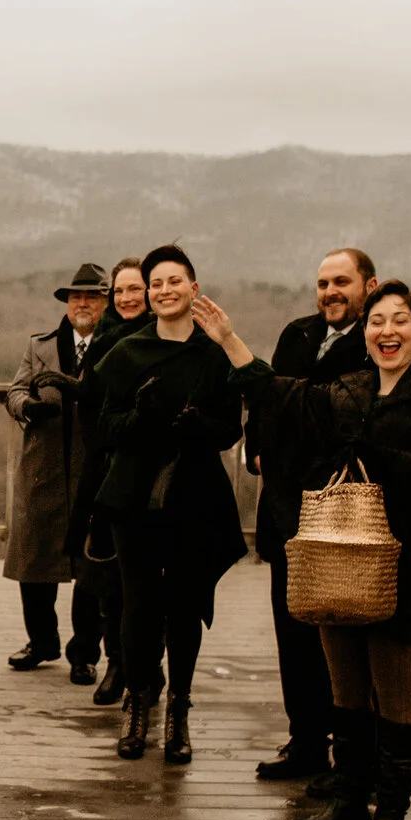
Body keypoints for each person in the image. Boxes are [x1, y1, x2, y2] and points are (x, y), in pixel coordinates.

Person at [207, 282, 411, 820]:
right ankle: (350, 802)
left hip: (404, 565)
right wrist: (230, 341)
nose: (387, 331)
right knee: (346, 687)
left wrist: (379, 459)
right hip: (338, 558)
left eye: (400, 321)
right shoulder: (347, 391)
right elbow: (280, 395)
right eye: (377, 322)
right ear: (365, 332)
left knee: (393, 688)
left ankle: (392, 815)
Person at [78, 245, 247, 766]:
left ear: (194, 290)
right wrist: (141, 418)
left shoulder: (213, 352)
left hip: (193, 493)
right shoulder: (125, 352)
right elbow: (103, 428)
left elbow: (229, 429)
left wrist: (199, 425)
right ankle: (137, 703)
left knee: (185, 605)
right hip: (133, 494)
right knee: (138, 602)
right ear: (147, 295)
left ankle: (179, 707)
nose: (164, 290)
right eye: (155, 283)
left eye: (175, 281)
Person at [248, 248, 377, 786]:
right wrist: (257, 444)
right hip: (286, 509)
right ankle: (305, 741)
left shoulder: (378, 338)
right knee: (292, 629)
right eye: (323, 283)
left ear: (368, 285)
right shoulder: (296, 334)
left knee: (346, 637)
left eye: (342, 282)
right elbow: (265, 400)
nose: (330, 292)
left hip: (344, 512)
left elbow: (340, 418)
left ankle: (353, 753)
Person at [3, 263, 110, 682]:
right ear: (66, 303)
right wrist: (26, 408)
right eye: (75, 297)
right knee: (34, 561)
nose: (81, 303)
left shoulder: (116, 345)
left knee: (90, 569)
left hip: (92, 470)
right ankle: (41, 641)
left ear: (105, 301)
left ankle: (83, 653)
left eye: (91, 296)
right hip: (43, 467)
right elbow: (15, 389)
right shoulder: (39, 346)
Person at [68, 256, 150, 705]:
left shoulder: (166, 338)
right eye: (119, 291)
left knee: (151, 584)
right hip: (108, 472)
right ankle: (117, 662)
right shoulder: (103, 342)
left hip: (158, 476)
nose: (127, 298)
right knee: (110, 578)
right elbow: (90, 409)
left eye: (134, 289)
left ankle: (150, 673)